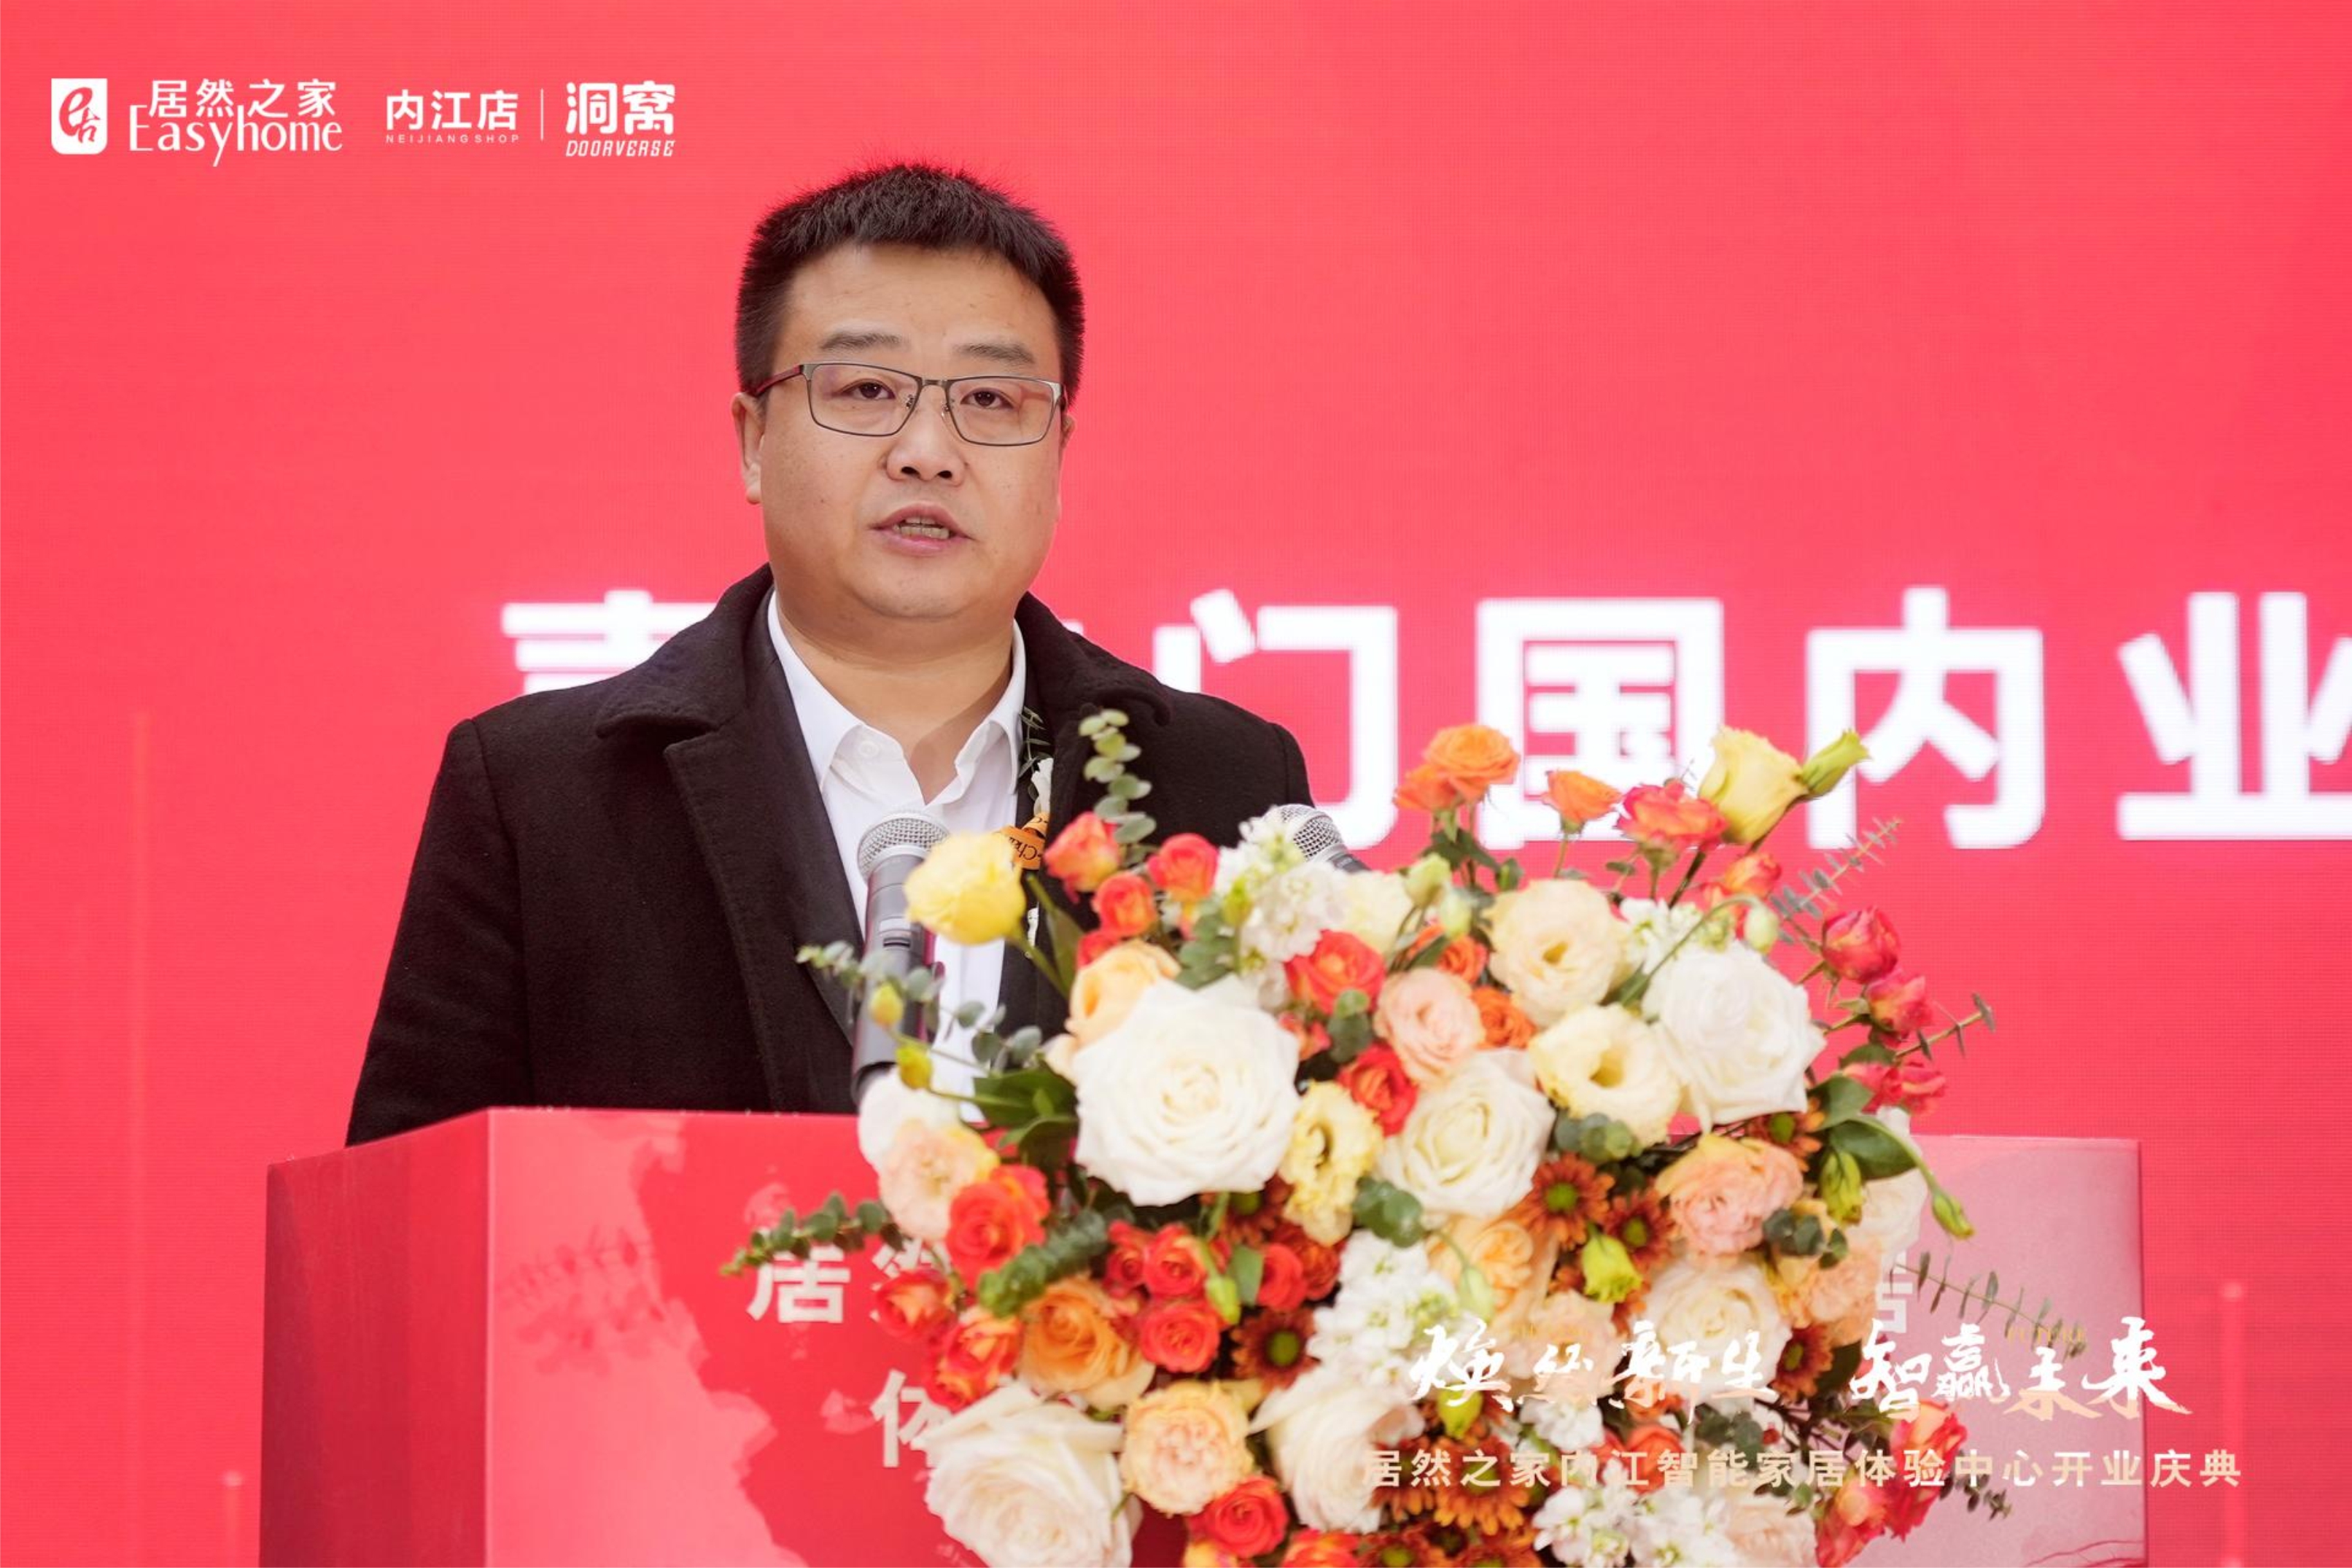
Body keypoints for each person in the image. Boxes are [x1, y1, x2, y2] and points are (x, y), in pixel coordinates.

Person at [345, 161, 1314, 1146]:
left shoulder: (1222, 781)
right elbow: (413, 1206)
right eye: (865, 388)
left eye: (991, 399)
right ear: (753, 441)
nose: (927, 450)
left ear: (1059, 453)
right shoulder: (542, 792)